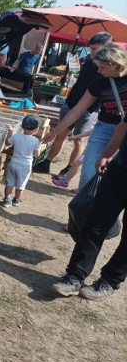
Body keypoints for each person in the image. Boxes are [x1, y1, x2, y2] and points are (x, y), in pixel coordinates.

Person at [51, 118, 127, 300]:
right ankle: (74, 276)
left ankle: (110, 280)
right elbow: (123, 126)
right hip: (120, 169)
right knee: (96, 223)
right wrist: (106, 154)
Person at [42, 45, 127, 190]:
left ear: (115, 65)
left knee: (118, 179)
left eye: (102, 68)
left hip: (125, 131)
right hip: (104, 129)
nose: (99, 71)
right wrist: (53, 132)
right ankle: (87, 208)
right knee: (89, 172)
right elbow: (77, 110)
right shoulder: (100, 82)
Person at [33, 32, 113, 175]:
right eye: (91, 49)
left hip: (89, 109)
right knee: (60, 134)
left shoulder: (108, 69)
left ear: (106, 48)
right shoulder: (89, 61)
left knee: (78, 140)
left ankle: (69, 168)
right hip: (72, 103)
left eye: (95, 49)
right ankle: (46, 163)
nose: (91, 52)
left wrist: (91, 109)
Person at [1, 115, 41, 208]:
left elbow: (7, 143)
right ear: (36, 129)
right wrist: (40, 147)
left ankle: (7, 199)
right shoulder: (36, 141)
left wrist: (10, 132)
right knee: (21, 184)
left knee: (9, 182)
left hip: (13, 162)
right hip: (25, 165)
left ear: (22, 127)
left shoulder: (17, 136)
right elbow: (36, 155)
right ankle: (16, 200)